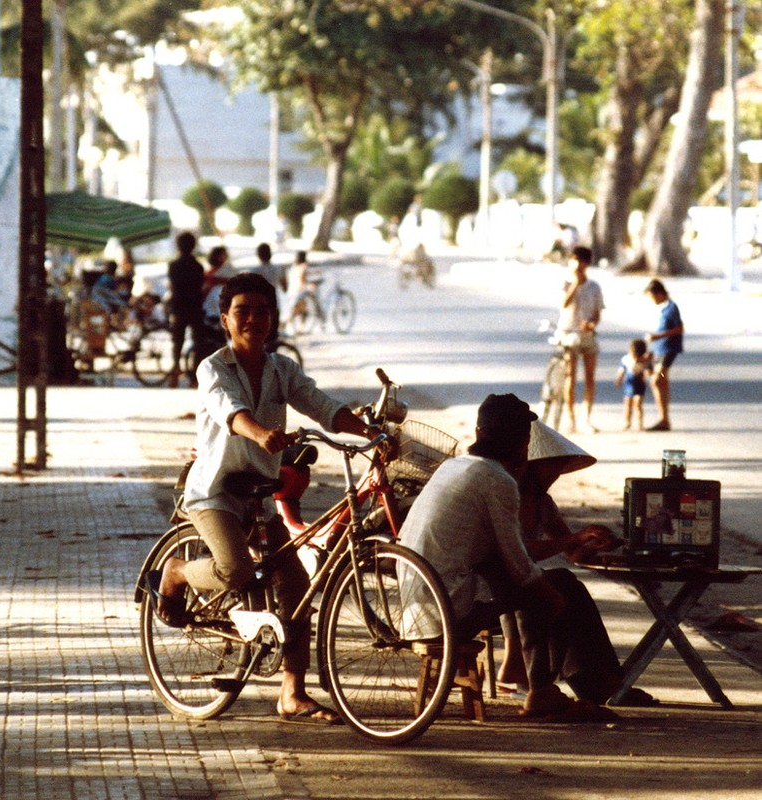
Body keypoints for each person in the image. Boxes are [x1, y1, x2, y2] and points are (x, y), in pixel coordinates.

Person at [149, 272, 378, 724]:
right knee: (235, 571)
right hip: (214, 493)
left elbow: (320, 404)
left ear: (273, 317)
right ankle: (175, 573)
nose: (254, 319)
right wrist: (260, 433)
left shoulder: (282, 369)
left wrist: (369, 432)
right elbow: (229, 410)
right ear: (225, 320)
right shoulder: (213, 367)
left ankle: (292, 693)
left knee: (295, 587)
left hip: (260, 497)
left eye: (262, 310)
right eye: (243, 311)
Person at [400, 394, 620, 719]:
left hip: (418, 601)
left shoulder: (457, 465)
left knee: (552, 584)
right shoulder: (497, 480)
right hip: (444, 607)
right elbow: (519, 564)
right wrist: (548, 595)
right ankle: (542, 691)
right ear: (523, 445)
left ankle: (566, 685)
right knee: (547, 590)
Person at [494, 421, 656, 708]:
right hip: (497, 578)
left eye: (560, 467)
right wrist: (575, 538)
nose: (556, 474)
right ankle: (589, 681)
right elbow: (518, 551)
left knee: (570, 585)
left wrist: (598, 546)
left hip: (523, 574)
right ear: (532, 464)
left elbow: (572, 552)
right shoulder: (508, 495)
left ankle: (599, 680)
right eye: (551, 466)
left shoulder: (543, 503)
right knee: (559, 584)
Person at [557, 245, 604, 433]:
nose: (576, 264)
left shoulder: (594, 287)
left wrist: (592, 324)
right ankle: (571, 419)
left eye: (580, 260)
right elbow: (563, 304)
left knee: (590, 378)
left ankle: (587, 417)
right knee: (570, 376)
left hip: (587, 336)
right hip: (569, 334)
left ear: (587, 263)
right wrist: (575, 284)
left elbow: (597, 313)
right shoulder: (566, 282)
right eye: (573, 259)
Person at [644, 279, 684, 432]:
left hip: (669, 349)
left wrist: (658, 337)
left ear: (659, 293)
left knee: (657, 380)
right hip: (660, 350)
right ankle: (664, 419)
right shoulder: (664, 308)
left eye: (652, 296)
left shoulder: (672, 308)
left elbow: (679, 329)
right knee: (660, 382)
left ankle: (664, 419)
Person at [167, 232, 205, 388]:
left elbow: (173, 287)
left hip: (179, 307)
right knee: (198, 343)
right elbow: (200, 288)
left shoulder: (173, 266)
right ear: (193, 246)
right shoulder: (198, 266)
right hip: (195, 307)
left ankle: (175, 370)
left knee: (177, 342)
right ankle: (194, 376)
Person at [614, 339, 653, 431]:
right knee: (628, 404)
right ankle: (627, 422)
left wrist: (647, 368)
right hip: (629, 384)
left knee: (638, 403)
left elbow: (650, 372)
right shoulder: (626, 359)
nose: (636, 358)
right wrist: (619, 379)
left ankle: (640, 423)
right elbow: (622, 370)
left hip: (639, 384)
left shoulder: (645, 361)